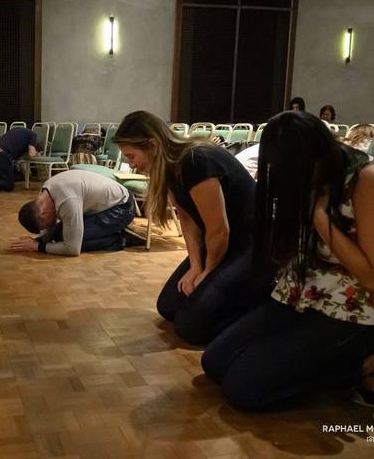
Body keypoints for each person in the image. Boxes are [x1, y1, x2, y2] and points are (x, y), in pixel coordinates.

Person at [201, 111, 374, 411]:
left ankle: (362, 364)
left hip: (355, 311)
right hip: (300, 296)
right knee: (215, 363)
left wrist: (320, 217)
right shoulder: (300, 173)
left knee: (243, 388)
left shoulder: (371, 178)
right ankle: (318, 362)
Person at [113, 110, 267, 345]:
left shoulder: (196, 160)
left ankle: (258, 307)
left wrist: (207, 271)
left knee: (190, 328)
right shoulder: (170, 167)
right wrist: (195, 266)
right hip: (223, 242)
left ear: (153, 145)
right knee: (168, 307)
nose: (132, 165)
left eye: (132, 157)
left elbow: (219, 228)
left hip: (251, 244)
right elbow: (188, 219)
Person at [11, 169, 138, 256]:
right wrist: (39, 240)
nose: (47, 228)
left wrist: (38, 247)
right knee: (60, 236)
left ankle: (122, 239)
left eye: (44, 226)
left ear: (43, 214)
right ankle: (107, 231)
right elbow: (50, 229)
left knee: (70, 240)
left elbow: (72, 249)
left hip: (122, 208)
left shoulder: (67, 200)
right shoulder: (45, 194)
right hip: (105, 204)